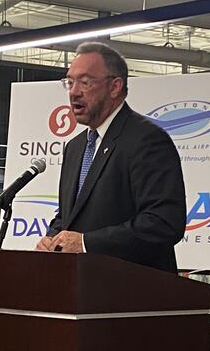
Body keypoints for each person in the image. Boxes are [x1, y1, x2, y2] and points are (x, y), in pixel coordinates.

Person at [35, 42, 186, 272]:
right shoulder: (75, 147)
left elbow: (163, 223)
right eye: (70, 82)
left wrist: (86, 243)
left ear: (115, 86)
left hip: (131, 286)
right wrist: (52, 239)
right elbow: (69, 216)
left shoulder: (147, 140)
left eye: (85, 82)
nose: (74, 92)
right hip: (81, 284)